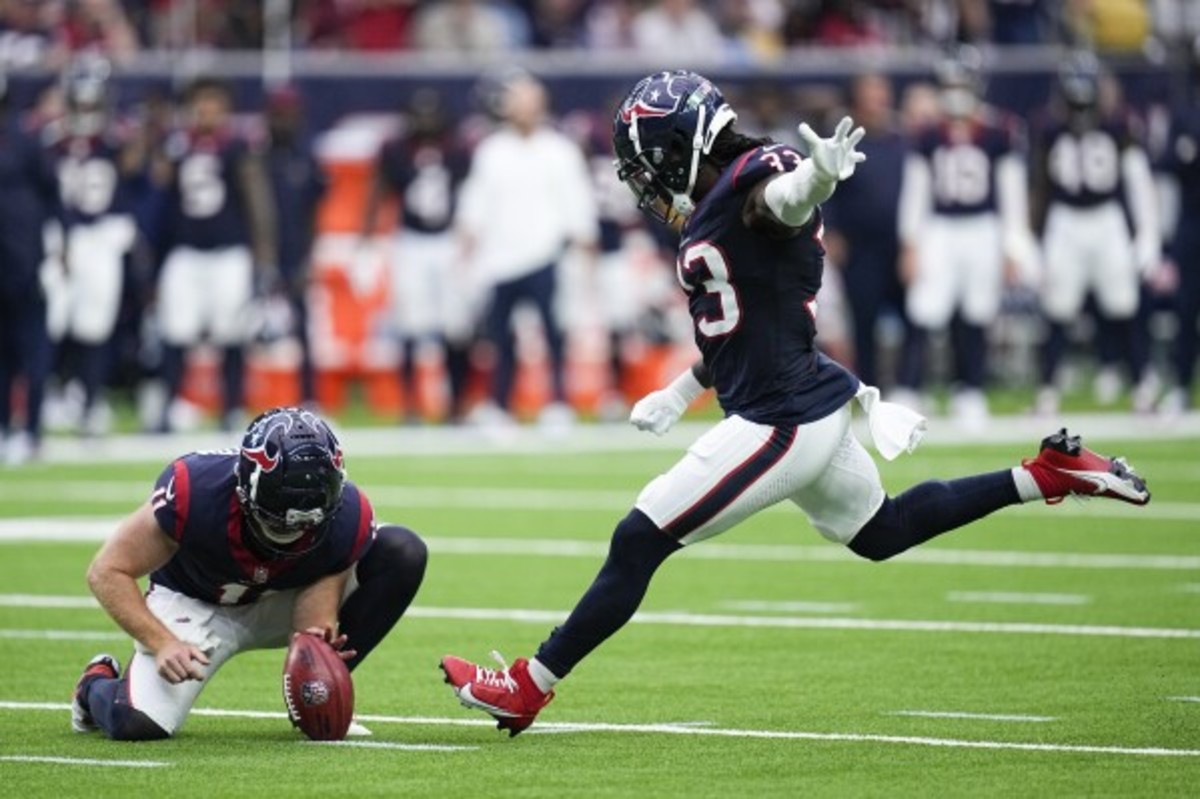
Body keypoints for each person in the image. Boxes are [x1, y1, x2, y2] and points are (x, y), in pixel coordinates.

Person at [439, 69, 1151, 737]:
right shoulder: (727, 192)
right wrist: (684, 389)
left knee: (638, 539)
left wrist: (816, 177)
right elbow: (743, 323)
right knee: (882, 530)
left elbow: (780, 204)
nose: (644, 184)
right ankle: (1049, 474)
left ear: (681, 148)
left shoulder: (762, 179)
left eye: (647, 164)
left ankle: (529, 682)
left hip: (780, 420)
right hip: (799, 402)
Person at [71, 406, 428, 740]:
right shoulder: (195, 490)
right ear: (245, 490)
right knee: (136, 723)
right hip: (195, 601)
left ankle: (316, 696)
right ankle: (93, 685)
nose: (293, 534)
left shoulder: (349, 515)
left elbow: (320, 589)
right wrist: (162, 642)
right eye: (278, 522)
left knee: (401, 552)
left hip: (279, 598)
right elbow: (107, 570)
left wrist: (315, 643)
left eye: (307, 525)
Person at [895, 47, 1037, 426]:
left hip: (982, 227)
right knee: (925, 308)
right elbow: (916, 191)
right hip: (940, 227)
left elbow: (1012, 192)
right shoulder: (929, 134)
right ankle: (910, 388)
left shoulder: (998, 131)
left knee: (977, 311)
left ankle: (970, 389)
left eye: (961, 82)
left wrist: (1013, 246)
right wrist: (910, 242)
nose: (956, 90)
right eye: (951, 82)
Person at [456, 73, 597, 428]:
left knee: (553, 335)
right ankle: (500, 407)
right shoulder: (492, 151)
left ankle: (558, 404)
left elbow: (577, 201)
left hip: (544, 254)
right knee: (500, 340)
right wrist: (466, 244)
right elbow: (476, 201)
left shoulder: (559, 150)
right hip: (501, 259)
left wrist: (584, 240)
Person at [1030, 53, 1160, 416]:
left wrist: (1147, 233)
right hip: (1065, 220)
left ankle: (1142, 386)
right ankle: (1047, 390)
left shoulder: (1119, 126)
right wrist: (1032, 240)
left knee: (1124, 304)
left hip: (1107, 219)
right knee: (1057, 307)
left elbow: (1138, 181)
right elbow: (1039, 187)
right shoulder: (1049, 129)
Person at [156, 78, 277, 431]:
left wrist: (264, 255)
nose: (206, 111)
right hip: (186, 250)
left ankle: (231, 407)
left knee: (231, 332)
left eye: (214, 103)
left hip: (228, 251)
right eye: (201, 103)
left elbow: (257, 200)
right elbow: (160, 191)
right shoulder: (179, 146)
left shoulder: (237, 148)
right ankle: (170, 405)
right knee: (176, 331)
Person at [42, 58, 139, 436]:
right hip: (62, 234)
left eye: (92, 102)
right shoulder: (52, 138)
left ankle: (89, 398)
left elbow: (134, 171)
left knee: (94, 325)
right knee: (53, 320)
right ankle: (51, 394)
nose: (86, 110)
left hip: (101, 235)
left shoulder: (116, 140)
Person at [363, 90, 472, 423]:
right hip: (410, 241)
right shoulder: (396, 150)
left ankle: (456, 405)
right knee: (410, 325)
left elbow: (473, 192)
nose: (425, 122)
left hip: (449, 239)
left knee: (456, 326)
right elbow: (380, 189)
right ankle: (411, 404)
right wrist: (365, 236)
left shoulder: (457, 151)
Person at [822, 73, 908, 389]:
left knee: (915, 314)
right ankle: (869, 386)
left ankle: (909, 383)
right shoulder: (843, 141)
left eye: (880, 91)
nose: (877, 99)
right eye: (870, 91)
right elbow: (825, 186)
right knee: (864, 319)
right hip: (859, 245)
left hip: (899, 243)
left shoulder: (902, 139)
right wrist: (831, 229)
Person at [0, 71, 58, 465]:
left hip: (26, 261)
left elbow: (53, 199)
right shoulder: (23, 139)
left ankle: (32, 430)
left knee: (33, 351)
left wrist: (52, 250)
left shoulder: (24, 140)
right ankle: (6, 428)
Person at [264, 86, 326, 407]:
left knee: (303, 331)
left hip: (295, 253)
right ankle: (240, 403)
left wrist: (308, 258)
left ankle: (309, 398)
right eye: (279, 115)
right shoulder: (259, 157)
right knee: (245, 332)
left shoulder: (306, 158)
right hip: (262, 256)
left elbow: (314, 212)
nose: (284, 122)